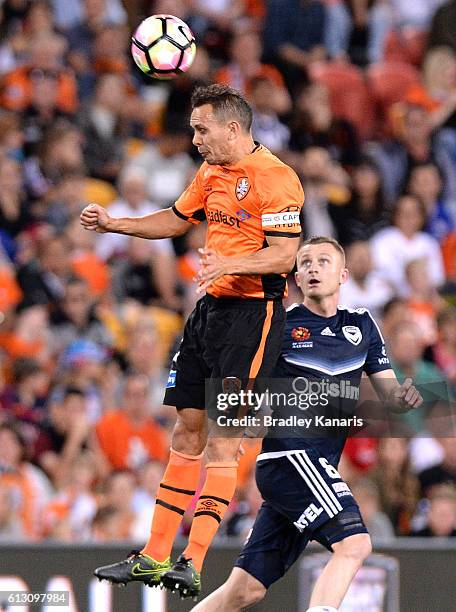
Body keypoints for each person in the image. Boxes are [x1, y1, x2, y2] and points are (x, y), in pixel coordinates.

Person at [80, 83, 304, 598]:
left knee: (226, 439)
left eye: (202, 129)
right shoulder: (210, 172)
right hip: (209, 314)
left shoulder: (277, 179)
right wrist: (118, 224)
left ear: (232, 127)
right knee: (187, 431)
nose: (196, 138)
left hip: (253, 318)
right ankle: (155, 556)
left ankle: (193, 560)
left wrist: (231, 262)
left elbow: (284, 255)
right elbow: (176, 220)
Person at [191, 236, 422, 612]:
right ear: (296, 275)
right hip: (290, 456)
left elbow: (391, 392)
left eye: (323, 261)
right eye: (306, 262)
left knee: (245, 590)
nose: (314, 267)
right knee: (355, 544)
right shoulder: (279, 325)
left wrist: (404, 397)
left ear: (343, 274)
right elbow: (237, 383)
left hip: (311, 466)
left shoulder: (362, 326)